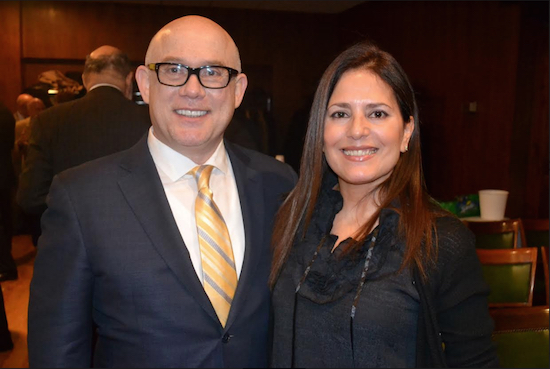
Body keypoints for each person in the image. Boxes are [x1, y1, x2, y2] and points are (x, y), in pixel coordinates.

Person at [27, 15, 297, 368]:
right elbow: (57, 350)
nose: (193, 89)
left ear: (238, 90)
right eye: (174, 70)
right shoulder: (81, 197)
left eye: (213, 72)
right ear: (145, 83)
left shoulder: (279, 184)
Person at [269, 41, 499, 368]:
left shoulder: (441, 242)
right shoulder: (291, 221)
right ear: (320, 132)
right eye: (340, 114)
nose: (357, 130)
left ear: (407, 131)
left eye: (377, 113)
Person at [16, 45, 151, 246]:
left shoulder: (48, 121)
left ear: (84, 79)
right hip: (136, 243)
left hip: (68, 245)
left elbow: (30, 198)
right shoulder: (150, 121)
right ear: (129, 79)